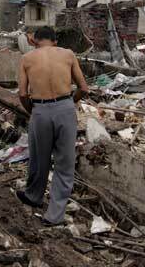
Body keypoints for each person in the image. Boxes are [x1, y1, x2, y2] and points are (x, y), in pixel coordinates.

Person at [16, 26, 89, 226]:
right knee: (64, 164)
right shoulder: (68, 54)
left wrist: (33, 111)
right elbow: (84, 88)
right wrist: (69, 103)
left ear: (35, 41)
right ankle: (54, 215)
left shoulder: (27, 59)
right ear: (55, 41)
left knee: (39, 159)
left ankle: (34, 196)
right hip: (65, 108)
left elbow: (22, 94)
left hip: (40, 110)